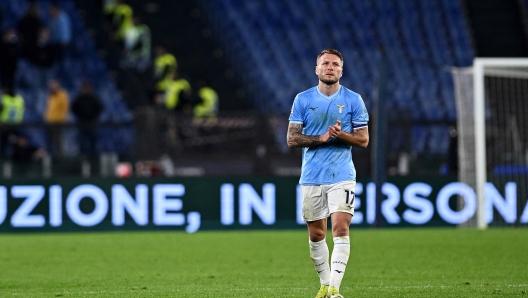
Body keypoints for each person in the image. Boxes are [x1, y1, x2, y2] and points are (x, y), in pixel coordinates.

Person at [287, 49, 369, 298]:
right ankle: (325, 285)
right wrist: (322, 138)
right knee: (317, 234)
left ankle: (334, 288)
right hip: (312, 175)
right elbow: (292, 138)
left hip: (342, 174)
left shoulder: (354, 100)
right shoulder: (302, 99)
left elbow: (364, 140)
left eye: (335, 64)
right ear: (317, 69)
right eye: (325, 63)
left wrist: (340, 134)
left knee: (341, 228)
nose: (330, 67)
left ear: (341, 70)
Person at [71, 80, 103, 157]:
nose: (85, 90)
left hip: (92, 122)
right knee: (81, 142)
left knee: (93, 142)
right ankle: (82, 157)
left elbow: (100, 108)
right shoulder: (79, 98)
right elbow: (73, 108)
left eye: (87, 88)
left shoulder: (94, 98)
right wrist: (79, 116)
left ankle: (93, 158)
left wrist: (94, 116)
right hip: (82, 123)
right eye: (84, 88)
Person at [44, 79, 70, 157]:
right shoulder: (50, 96)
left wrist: (61, 118)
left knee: (58, 141)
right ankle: (49, 156)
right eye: (51, 86)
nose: (52, 88)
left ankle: (59, 157)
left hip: (58, 122)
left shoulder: (62, 95)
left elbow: (65, 108)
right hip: (50, 122)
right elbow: (50, 108)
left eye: (54, 86)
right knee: (49, 141)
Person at [0, 86, 25, 157]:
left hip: (5, 126)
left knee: (5, 145)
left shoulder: (4, 99)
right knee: (15, 143)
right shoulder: (20, 99)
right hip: (16, 126)